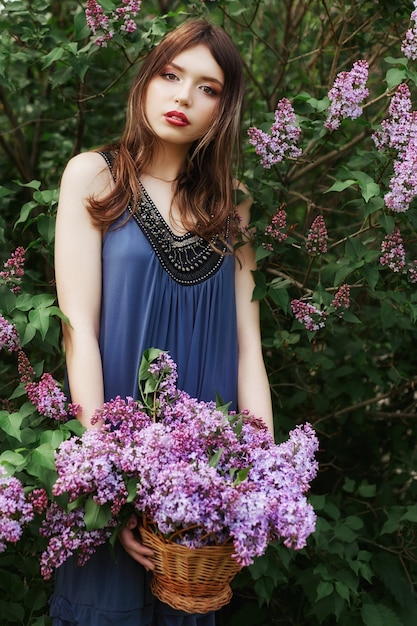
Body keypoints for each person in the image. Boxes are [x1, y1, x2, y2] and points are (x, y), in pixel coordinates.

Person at [52, 17, 274, 626]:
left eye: (207, 87)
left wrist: (259, 482)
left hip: (204, 481)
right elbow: (81, 335)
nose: (182, 96)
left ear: (222, 109)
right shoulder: (93, 177)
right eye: (171, 75)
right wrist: (114, 486)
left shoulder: (234, 205)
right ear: (146, 79)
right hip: (118, 453)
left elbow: (249, 350)